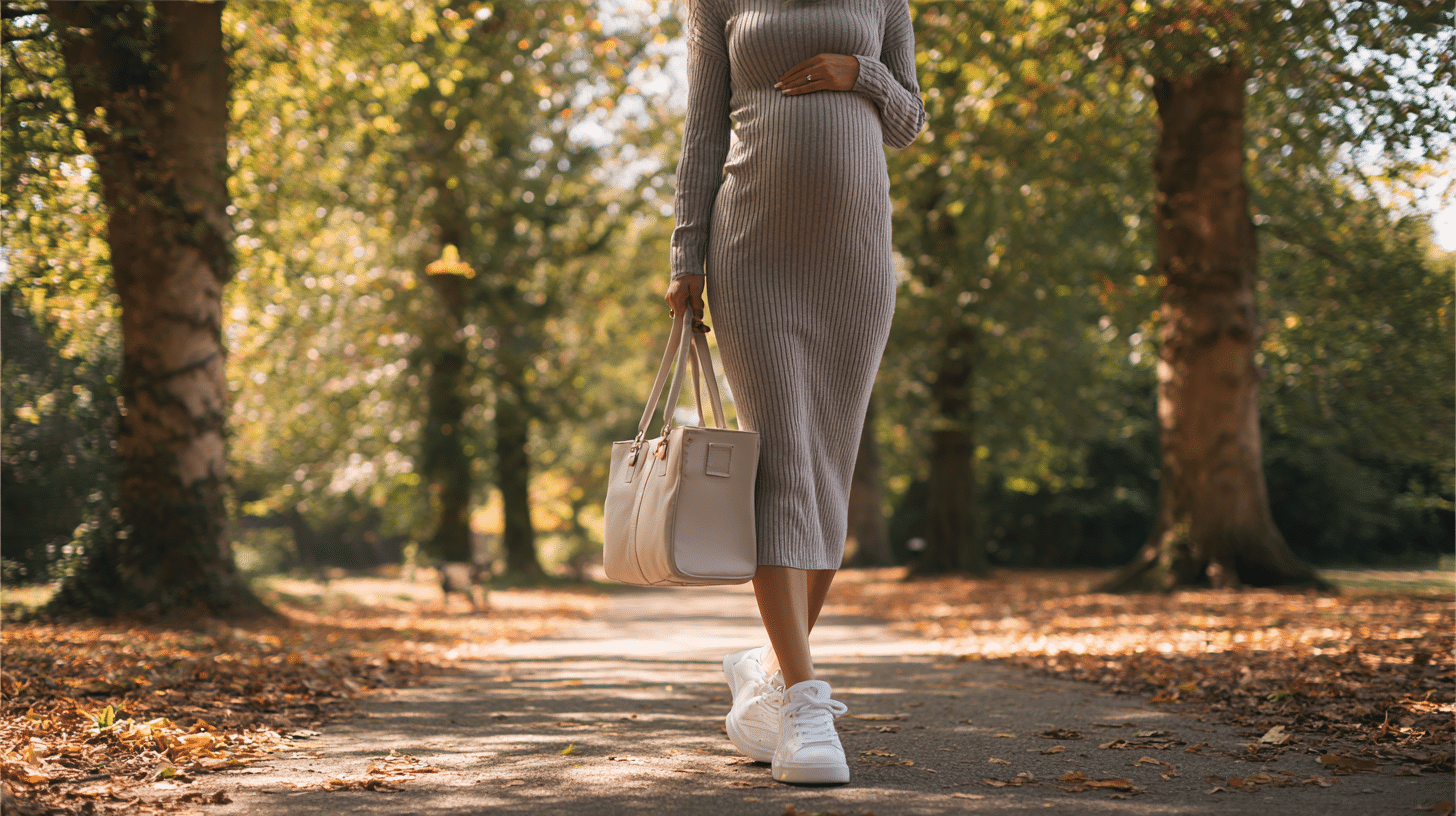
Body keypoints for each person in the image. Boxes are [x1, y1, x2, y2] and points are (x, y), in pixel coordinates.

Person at [662, 0, 926, 786]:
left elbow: (910, 120)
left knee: (828, 480)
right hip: (752, 251)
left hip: (854, 259)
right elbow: (703, 127)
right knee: (781, 470)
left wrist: (864, 74)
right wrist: (686, 254)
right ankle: (806, 705)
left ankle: (769, 673)